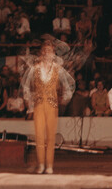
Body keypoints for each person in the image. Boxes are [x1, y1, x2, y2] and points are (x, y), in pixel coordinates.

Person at [20, 37, 75, 174]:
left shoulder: (58, 69)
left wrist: (65, 98)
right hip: (39, 104)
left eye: (50, 51)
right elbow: (26, 86)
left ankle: (49, 165)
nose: (47, 53)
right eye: (44, 51)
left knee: (51, 136)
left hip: (52, 104)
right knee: (39, 136)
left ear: (53, 53)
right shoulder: (35, 68)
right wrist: (29, 104)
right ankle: (41, 165)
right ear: (41, 53)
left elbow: (69, 84)